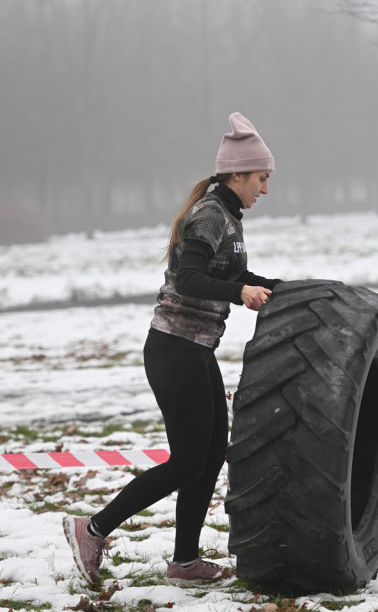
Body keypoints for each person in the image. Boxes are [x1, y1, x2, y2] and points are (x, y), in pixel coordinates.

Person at [63, 112, 280, 584]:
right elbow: (191, 279)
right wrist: (239, 294)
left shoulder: (227, 217)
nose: (264, 189)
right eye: (261, 179)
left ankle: (184, 562)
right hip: (173, 349)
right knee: (186, 460)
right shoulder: (208, 215)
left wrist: (279, 288)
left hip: (196, 350)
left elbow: (229, 276)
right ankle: (93, 529)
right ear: (238, 174)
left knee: (210, 454)